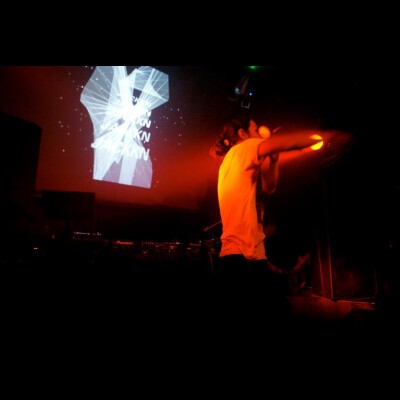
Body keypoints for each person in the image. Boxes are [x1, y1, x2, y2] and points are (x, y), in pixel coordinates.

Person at [209, 112, 333, 328]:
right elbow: (288, 143)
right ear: (242, 133)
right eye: (254, 128)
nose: (258, 132)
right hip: (245, 256)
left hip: (238, 256)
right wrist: (322, 138)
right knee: (276, 315)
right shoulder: (244, 147)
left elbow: (269, 187)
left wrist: (273, 159)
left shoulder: (233, 159)